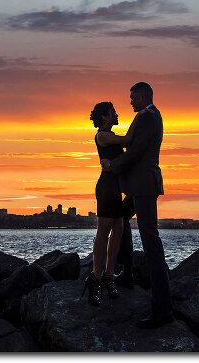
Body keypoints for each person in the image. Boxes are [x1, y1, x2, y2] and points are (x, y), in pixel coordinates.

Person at [100, 82, 173, 328]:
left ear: (142, 96)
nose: (130, 102)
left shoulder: (149, 117)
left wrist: (114, 165)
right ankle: (128, 274)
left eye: (132, 98)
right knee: (121, 217)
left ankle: (162, 309)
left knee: (151, 241)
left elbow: (137, 151)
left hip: (144, 186)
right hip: (138, 185)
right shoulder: (148, 115)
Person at [83, 101, 148, 306]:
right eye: (113, 112)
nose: (117, 114)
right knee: (103, 230)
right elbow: (129, 138)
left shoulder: (111, 136)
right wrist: (142, 114)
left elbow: (129, 148)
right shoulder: (103, 135)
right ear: (104, 116)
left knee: (119, 228)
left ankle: (109, 275)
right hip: (106, 188)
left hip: (116, 188)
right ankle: (95, 277)